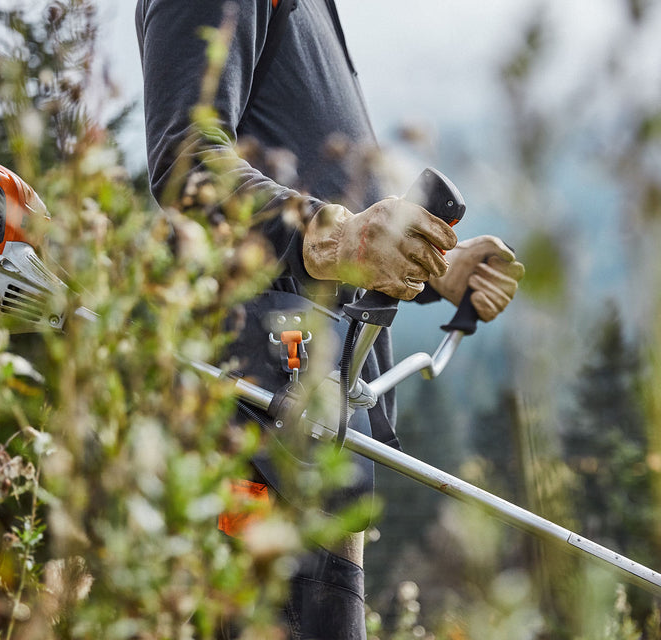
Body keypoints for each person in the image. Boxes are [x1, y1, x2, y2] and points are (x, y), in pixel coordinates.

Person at [135, 1, 525, 637]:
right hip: (257, 412)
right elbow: (187, 159)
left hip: (322, 422)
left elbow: (332, 200)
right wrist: (327, 237)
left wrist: (436, 267)